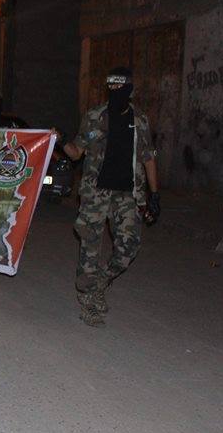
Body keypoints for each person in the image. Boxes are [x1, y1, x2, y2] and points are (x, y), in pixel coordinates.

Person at [62, 67, 160, 327]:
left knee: (128, 247)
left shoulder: (140, 121)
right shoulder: (94, 116)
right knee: (90, 249)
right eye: (112, 87)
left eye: (120, 87)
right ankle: (88, 300)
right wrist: (61, 140)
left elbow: (149, 158)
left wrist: (154, 195)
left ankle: (100, 283)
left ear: (130, 90)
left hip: (127, 194)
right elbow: (76, 153)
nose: (116, 91)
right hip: (96, 194)